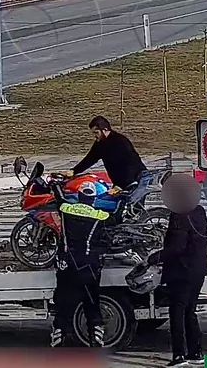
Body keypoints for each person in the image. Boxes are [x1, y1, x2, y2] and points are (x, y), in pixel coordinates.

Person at [147, 182, 207, 367]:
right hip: (198, 269)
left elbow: (176, 247)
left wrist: (155, 257)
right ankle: (196, 352)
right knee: (190, 311)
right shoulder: (199, 211)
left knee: (178, 312)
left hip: (182, 271)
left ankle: (179, 356)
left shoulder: (179, 216)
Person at [50, 180, 116, 348]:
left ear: (79, 196)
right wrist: (122, 198)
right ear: (93, 199)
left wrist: (56, 185)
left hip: (68, 267)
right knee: (92, 303)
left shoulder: (66, 209)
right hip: (89, 268)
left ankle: (58, 338)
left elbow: (59, 199)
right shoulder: (99, 215)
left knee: (64, 304)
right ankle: (96, 338)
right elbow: (117, 217)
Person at [68, 116, 149, 197]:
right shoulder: (100, 143)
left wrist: (122, 186)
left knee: (132, 206)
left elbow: (131, 164)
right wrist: (74, 171)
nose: (95, 136)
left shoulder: (120, 141)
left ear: (105, 130)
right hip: (120, 183)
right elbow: (90, 159)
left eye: (96, 133)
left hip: (136, 179)